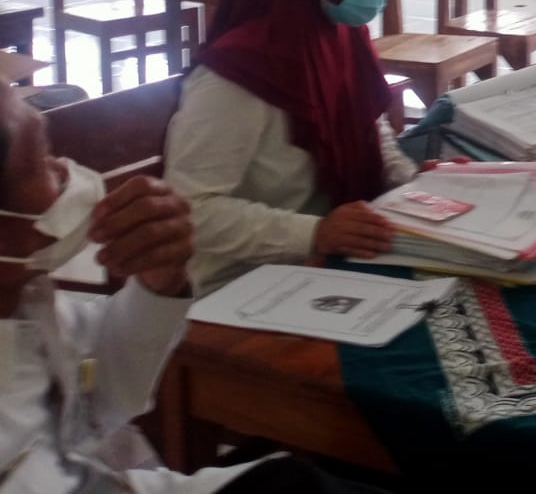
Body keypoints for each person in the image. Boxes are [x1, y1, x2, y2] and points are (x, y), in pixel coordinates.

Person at [0, 80, 388, 492]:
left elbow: (97, 393)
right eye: (42, 161)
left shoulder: (24, 299)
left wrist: (160, 283)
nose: (65, 169)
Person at [165, 0, 416, 295]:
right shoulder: (233, 76)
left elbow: (371, 127)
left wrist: (412, 184)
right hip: (244, 280)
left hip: (330, 256)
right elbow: (191, 209)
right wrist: (314, 233)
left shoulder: (340, 36)